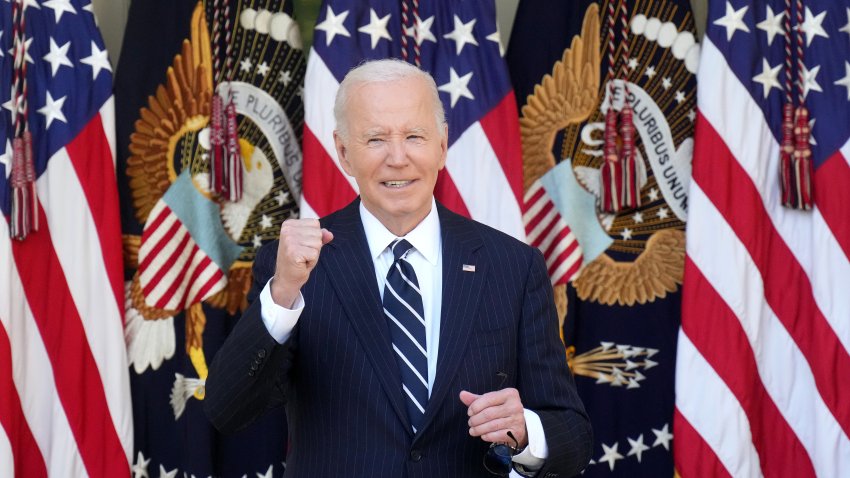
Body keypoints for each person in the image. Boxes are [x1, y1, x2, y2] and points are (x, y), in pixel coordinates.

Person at [204, 59, 592, 477]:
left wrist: (526, 430)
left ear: (441, 146)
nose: (397, 158)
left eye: (414, 136)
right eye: (375, 139)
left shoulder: (514, 267)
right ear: (343, 152)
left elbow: (572, 434)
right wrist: (282, 293)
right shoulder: (295, 269)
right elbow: (227, 411)